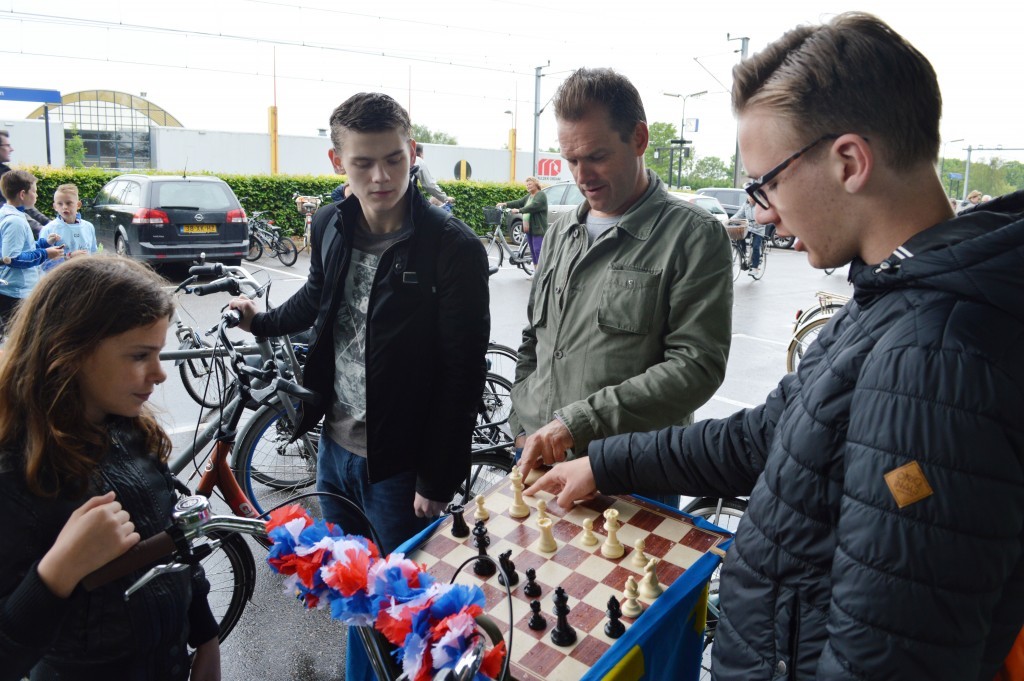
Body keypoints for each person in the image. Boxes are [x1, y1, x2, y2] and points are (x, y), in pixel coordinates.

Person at [526, 13, 1023, 680]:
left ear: (849, 161)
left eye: (768, 183)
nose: (761, 212)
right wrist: (603, 462)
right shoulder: (897, 295)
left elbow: (887, 653)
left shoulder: (935, 360)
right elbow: (761, 437)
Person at [229, 92, 490, 555]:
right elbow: (315, 296)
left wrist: (438, 475)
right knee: (352, 589)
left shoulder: (452, 247)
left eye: (394, 159)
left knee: (401, 604)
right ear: (336, 161)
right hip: (334, 446)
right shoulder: (330, 222)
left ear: (413, 150)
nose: (382, 176)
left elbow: (463, 372)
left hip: (401, 464)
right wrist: (261, 323)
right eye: (363, 162)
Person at [512, 67, 734, 512]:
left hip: (631, 476)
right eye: (571, 160)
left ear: (639, 139)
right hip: (539, 460)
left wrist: (576, 424)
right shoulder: (562, 232)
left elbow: (696, 367)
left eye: (596, 156)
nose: (582, 176)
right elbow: (536, 339)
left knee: (632, 585)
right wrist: (524, 419)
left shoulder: (693, 236)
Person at [0, 256, 221, 680]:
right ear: (69, 351)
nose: (160, 374)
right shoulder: (15, 474)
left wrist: (206, 637)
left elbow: (174, 545)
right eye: (141, 355)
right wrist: (59, 570)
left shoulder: (131, 432)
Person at [0, 170, 62, 332]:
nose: (36, 195)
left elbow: (22, 247)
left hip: (13, 290)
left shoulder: (8, 214)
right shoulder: (15, 221)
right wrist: (46, 254)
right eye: (34, 191)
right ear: (22, 194)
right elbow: (13, 258)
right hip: (15, 293)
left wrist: (44, 243)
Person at [0, 130, 51, 234]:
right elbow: (15, 207)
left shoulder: (5, 172)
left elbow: (24, 206)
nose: (11, 149)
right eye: (7, 145)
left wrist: (49, 225)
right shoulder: (12, 218)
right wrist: (43, 229)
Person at [39, 183, 98, 272]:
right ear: (55, 207)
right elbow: (43, 264)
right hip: (61, 280)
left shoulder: (88, 227)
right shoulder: (49, 229)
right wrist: (69, 257)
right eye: (60, 204)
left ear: (78, 205)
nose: (64, 207)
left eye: (69, 203)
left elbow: (94, 254)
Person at [497, 176, 547, 265]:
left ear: (536, 184)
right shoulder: (529, 196)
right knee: (533, 252)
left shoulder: (541, 195)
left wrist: (519, 210)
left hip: (538, 228)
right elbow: (519, 202)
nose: (528, 186)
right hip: (529, 228)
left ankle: (542, 273)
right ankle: (536, 273)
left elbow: (534, 206)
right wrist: (505, 204)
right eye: (527, 185)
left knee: (537, 250)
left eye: (530, 184)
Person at [729, 194, 768, 274]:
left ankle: (755, 267)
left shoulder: (760, 205)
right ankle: (742, 253)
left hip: (759, 229)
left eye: (752, 197)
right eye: (749, 196)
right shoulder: (746, 204)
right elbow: (739, 214)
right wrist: (731, 220)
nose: (750, 198)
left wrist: (760, 220)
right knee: (739, 236)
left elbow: (765, 215)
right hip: (749, 227)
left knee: (755, 246)